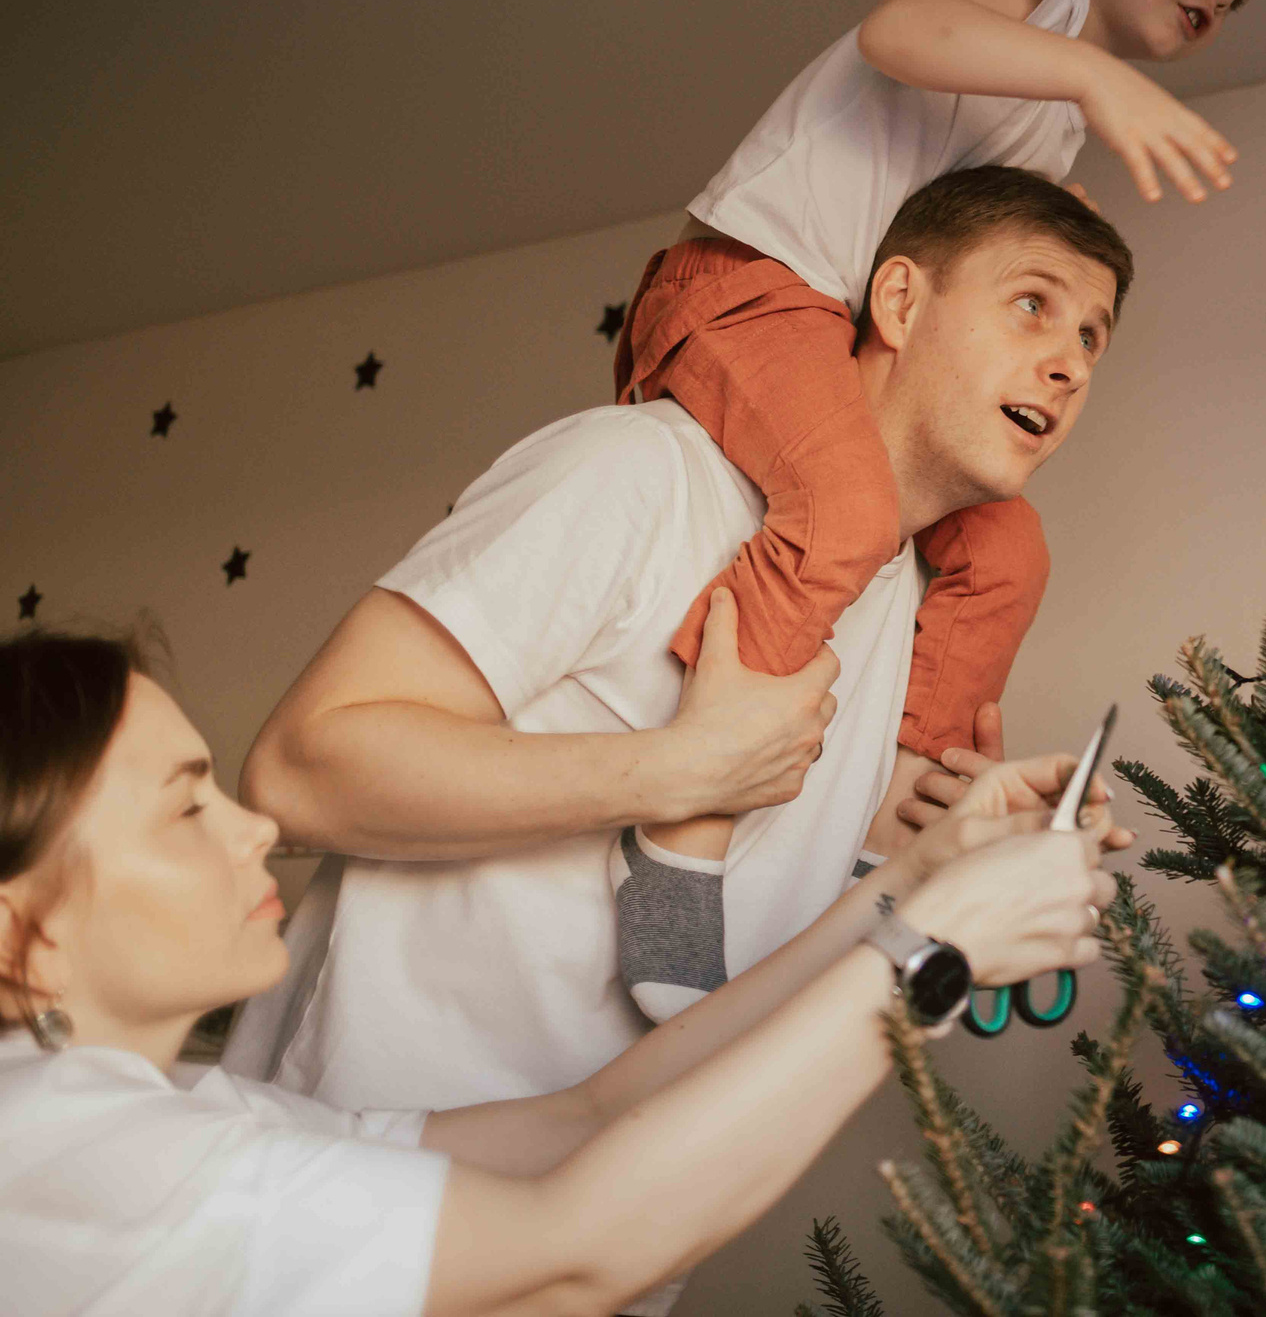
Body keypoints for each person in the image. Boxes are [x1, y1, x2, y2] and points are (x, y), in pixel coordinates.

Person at [228, 170, 1132, 1312]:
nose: (1071, 362)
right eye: (1034, 305)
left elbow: (746, 963)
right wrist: (678, 769)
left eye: (1094, 338)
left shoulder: (906, 606)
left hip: (617, 1238)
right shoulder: (639, 473)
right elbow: (304, 766)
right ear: (898, 302)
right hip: (360, 1197)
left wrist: (927, 872)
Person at [609, 0, 1266, 1019]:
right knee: (844, 504)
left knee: (1007, 548)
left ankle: (894, 818)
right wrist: (1088, 70)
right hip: (744, 291)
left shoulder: (1045, 124)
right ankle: (683, 834)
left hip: (847, 341)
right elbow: (900, 29)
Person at [0, 624, 1120, 1317]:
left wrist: (920, 880)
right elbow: (576, 1252)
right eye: (183, 807)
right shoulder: (65, 1154)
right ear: (21, 933)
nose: (250, 828)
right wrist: (931, 953)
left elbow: (582, 1122)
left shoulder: (163, 1112)